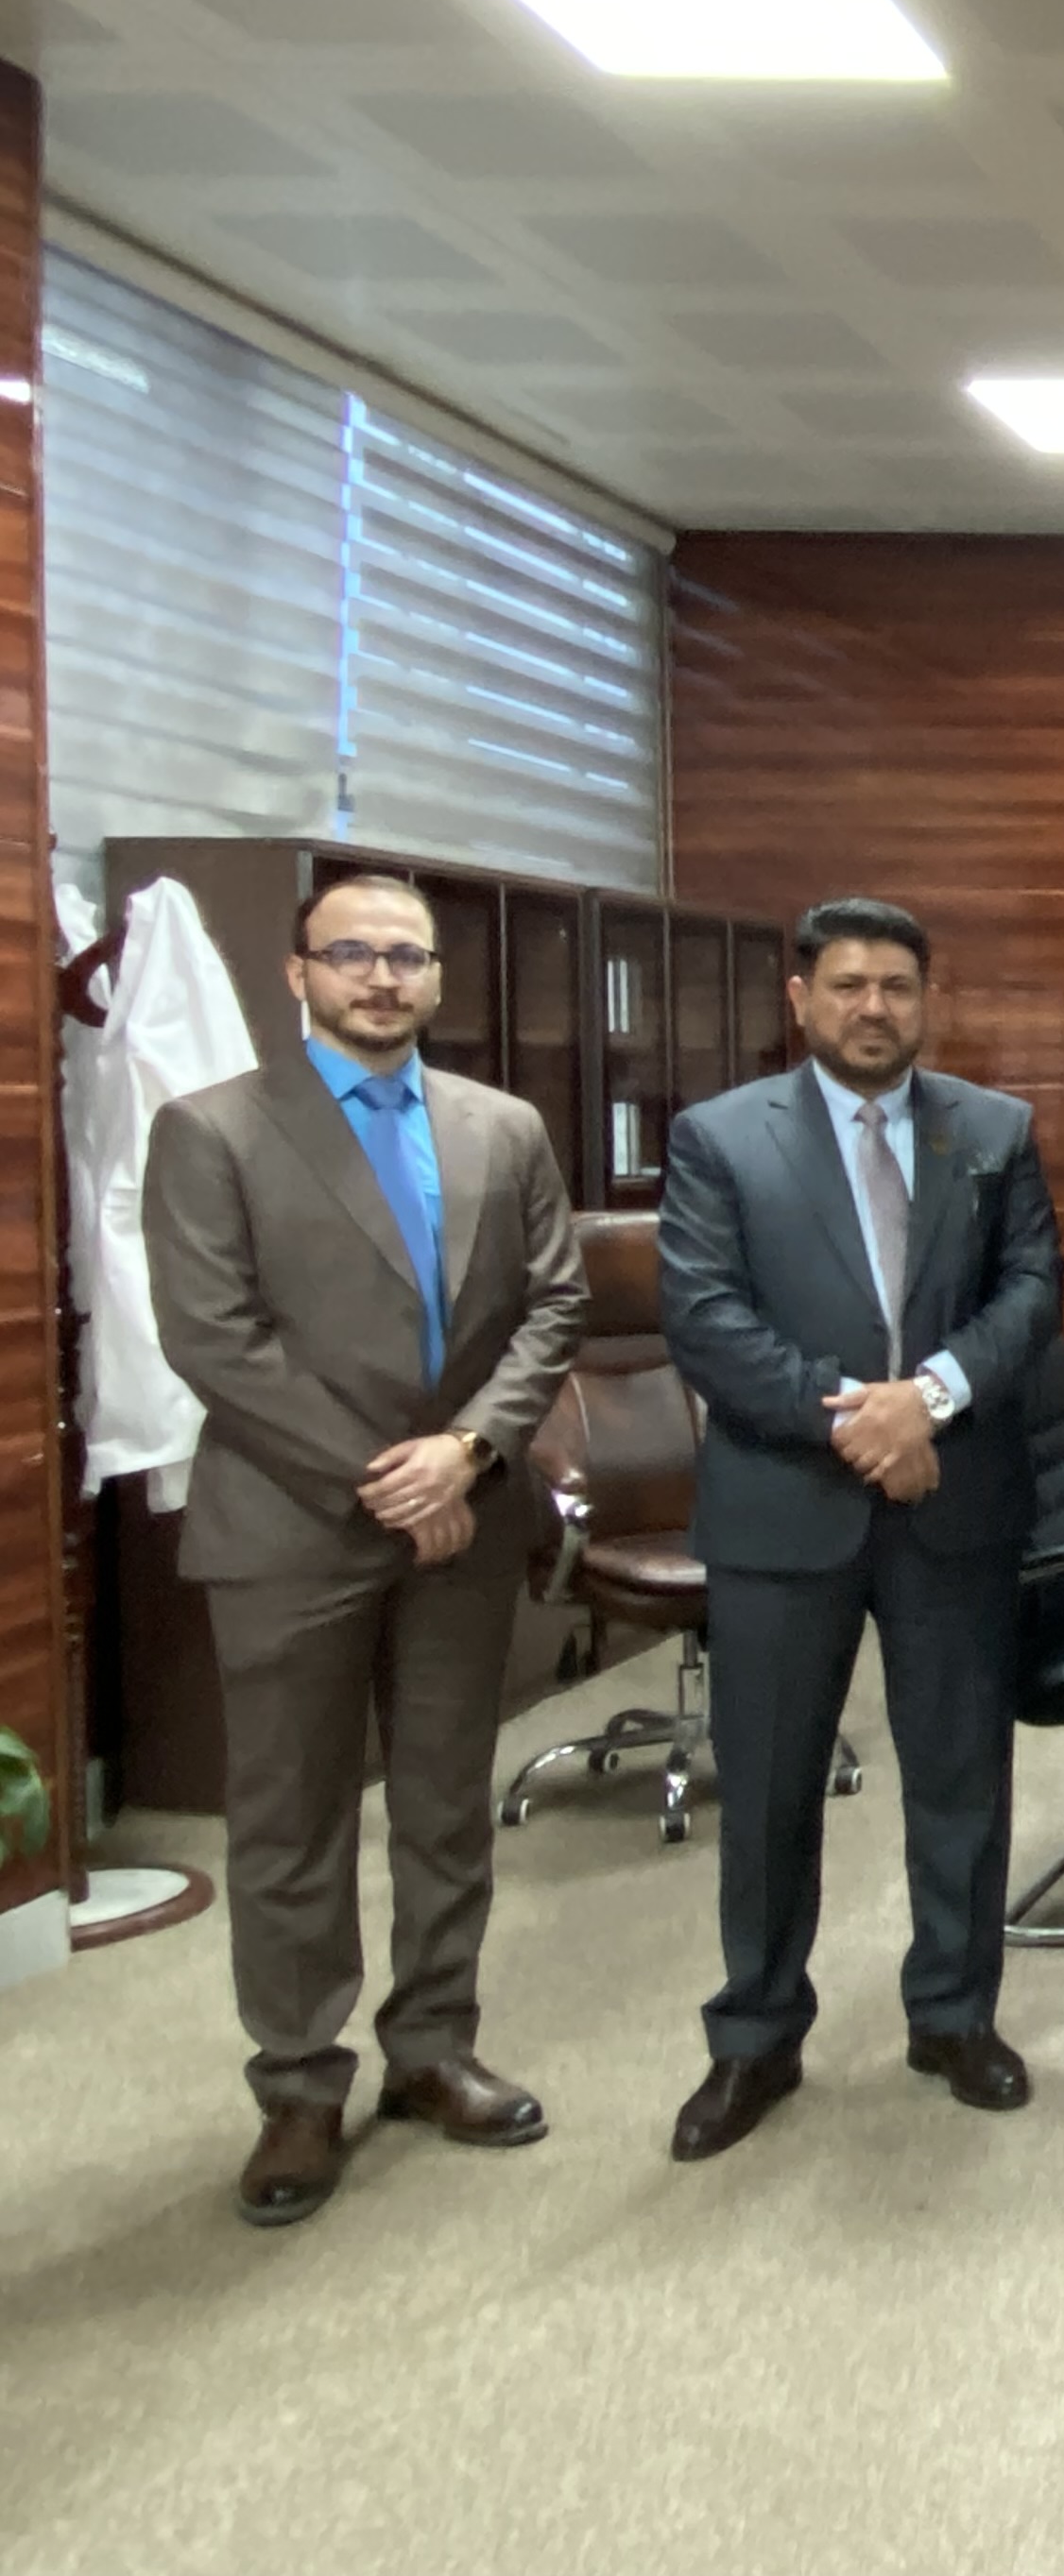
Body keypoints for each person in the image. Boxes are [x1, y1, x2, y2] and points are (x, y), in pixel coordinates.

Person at [142, 873, 584, 2227]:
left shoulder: (504, 1127)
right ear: (299, 975)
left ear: (437, 979)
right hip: (293, 1527)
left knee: (445, 1804)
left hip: (467, 1516)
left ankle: (433, 2047)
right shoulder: (212, 1129)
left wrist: (471, 1452)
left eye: (406, 956)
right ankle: (297, 2084)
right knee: (293, 1818)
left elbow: (553, 1306)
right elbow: (215, 1338)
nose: (381, 977)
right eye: (352, 954)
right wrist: (390, 1477)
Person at [656, 896, 1062, 2160]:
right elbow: (705, 1318)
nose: (873, 1007)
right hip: (786, 1508)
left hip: (953, 1501)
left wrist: (926, 1400)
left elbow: (1031, 1292)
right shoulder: (721, 1137)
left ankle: (954, 2016)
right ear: (801, 999)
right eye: (848, 985)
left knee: (961, 1781)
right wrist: (860, 1421)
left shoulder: (992, 1130)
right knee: (771, 1790)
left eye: (896, 986)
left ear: (927, 1000)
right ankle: (756, 2036)